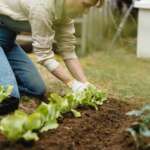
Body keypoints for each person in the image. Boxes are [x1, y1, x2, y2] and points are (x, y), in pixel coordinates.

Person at [0, 0, 104, 100]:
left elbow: (68, 51)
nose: (86, 12)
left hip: (7, 42)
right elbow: (44, 56)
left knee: (36, 90)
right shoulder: (42, 5)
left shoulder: (63, 13)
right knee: (9, 96)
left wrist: (85, 84)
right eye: (85, 5)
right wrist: (72, 83)